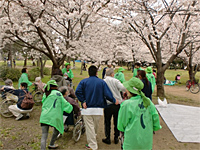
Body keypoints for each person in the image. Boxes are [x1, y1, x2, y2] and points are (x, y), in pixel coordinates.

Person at [75, 65, 118, 150]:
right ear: (96, 73)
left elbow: (77, 91)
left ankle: (92, 144)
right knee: (95, 126)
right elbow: (107, 94)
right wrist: (114, 100)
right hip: (98, 109)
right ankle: (93, 143)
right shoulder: (101, 82)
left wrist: (83, 101)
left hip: (87, 108)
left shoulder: (84, 82)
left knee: (90, 127)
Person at [117, 77, 162, 150]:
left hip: (131, 143)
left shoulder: (126, 104)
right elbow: (155, 119)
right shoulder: (148, 102)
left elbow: (121, 125)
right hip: (146, 141)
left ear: (129, 90)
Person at [40, 80, 73, 150]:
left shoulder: (46, 94)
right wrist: (70, 108)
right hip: (55, 116)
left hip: (44, 116)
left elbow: (43, 102)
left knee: (44, 135)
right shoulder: (58, 94)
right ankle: (51, 143)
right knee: (57, 129)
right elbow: (65, 103)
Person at [103, 68, 126, 145]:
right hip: (117, 103)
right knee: (116, 121)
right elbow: (123, 88)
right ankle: (116, 137)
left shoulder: (103, 81)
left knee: (107, 121)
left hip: (107, 104)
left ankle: (108, 137)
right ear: (112, 74)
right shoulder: (115, 81)